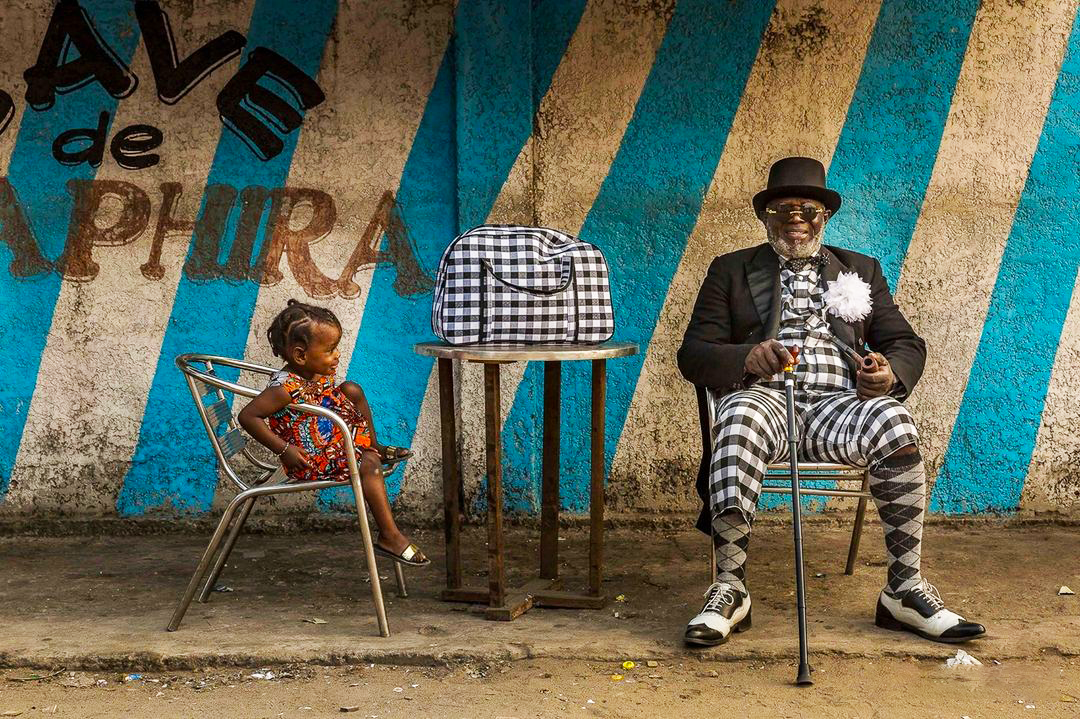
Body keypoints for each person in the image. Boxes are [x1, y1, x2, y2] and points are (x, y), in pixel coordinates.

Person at [677, 157, 984, 646]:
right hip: (767, 402)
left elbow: (906, 343)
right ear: (765, 217)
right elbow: (693, 354)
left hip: (840, 406)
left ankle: (903, 591)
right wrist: (748, 357)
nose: (795, 217)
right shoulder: (731, 270)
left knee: (895, 421)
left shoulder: (860, 270)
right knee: (735, 419)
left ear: (825, 216)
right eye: (782, 208)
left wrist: (887, 375)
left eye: (807, 208)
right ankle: (730, 588)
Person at [238, 299, 429, 567]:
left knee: (352, 389)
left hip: (328, 444)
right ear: (301, 355)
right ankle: (390, 536)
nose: (337, 354)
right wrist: (284, 450)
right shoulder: (284, 388)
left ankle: (373, 445)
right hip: (306, 460)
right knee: (368, 463)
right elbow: (247, 416)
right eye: (330, 350)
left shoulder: (312, 372)